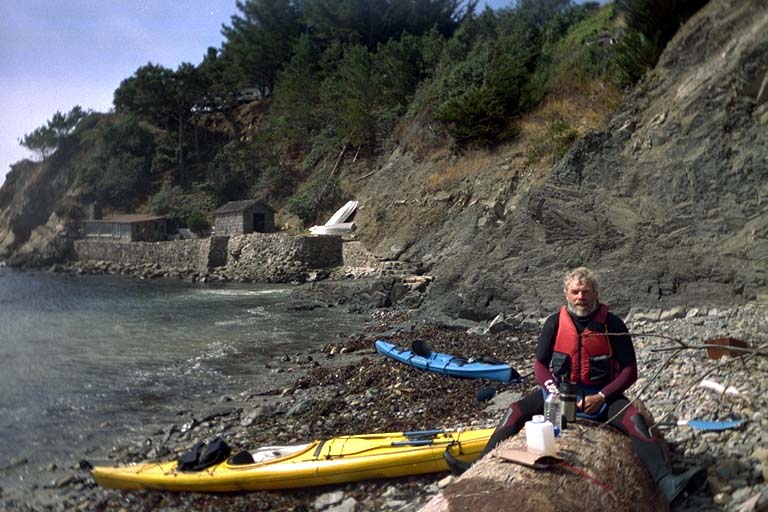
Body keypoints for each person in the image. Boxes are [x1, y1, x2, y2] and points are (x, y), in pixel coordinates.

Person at [445, 267, 707, 507]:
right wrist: (554, 393)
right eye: (575, 292)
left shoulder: (613, 324)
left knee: (636, 421)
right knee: (514, 411)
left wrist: (602, 396)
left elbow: (630, 371)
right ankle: (477, 465)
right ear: (566, 294)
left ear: (595, 293)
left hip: (601, 396)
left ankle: (668, 483)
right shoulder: (554, 323)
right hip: (561, 393)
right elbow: (540, 365)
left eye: (585, 291)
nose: (580, 297)